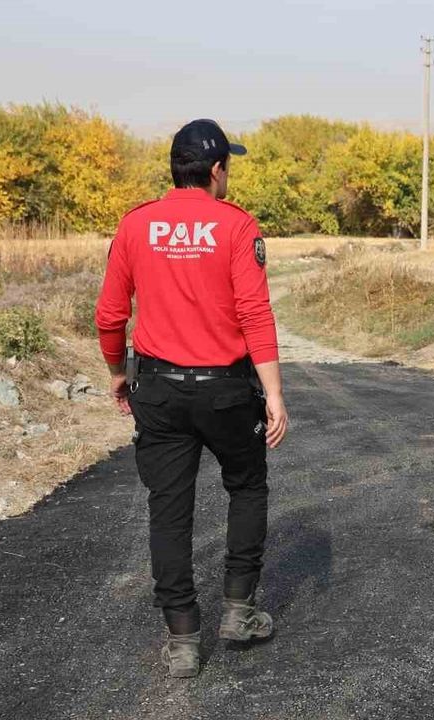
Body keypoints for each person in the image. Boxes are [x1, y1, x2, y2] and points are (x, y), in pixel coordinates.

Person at [95, 119, 289, 677]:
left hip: (157, 388)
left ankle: (183, 639)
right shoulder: (236, 226)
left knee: (169, 510)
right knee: (247, 486)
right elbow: (255, 313)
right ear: (216, 170)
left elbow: (110, 314)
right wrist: (273, 394)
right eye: (229, 165)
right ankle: (238, 610)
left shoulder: (135, 225)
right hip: (227, 390)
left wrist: (116, 371)